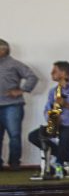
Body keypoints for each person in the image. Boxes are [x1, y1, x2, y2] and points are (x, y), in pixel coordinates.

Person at [28, 61, 69, 174]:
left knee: (65, 135)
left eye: (54, 71)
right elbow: (47, 109)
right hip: (57, 124)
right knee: (34, 136)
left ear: (63, 73)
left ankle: (58, 165)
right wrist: (50, 118)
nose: (51, 73)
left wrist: (67, 105)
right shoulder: (53, 91)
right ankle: (62, 156)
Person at [0, 39, 39, 170]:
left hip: (12, 105)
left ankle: (14, 163)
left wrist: (21, 90)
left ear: (3, 50)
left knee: (14, 135)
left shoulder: (14, 64)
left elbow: (32, 77)